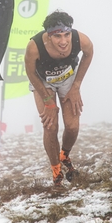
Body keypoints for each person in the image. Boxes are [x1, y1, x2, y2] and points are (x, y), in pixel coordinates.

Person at [24, 10, 93, 186]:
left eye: (66, 35)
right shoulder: (35, 46)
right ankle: (56, 171)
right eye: (57, 37)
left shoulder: (81, 40)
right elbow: (30, 72)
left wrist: (76, 85)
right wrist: (48, 101)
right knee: (51, 126)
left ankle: (64, 155)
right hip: (43, 82)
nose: (63, 41)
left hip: (68, 79)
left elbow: (89, 54)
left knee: (72, 126)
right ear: (48, 35)